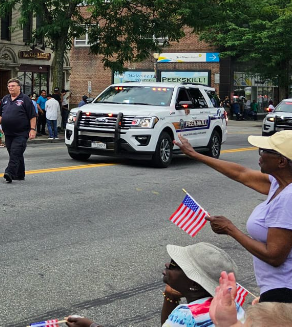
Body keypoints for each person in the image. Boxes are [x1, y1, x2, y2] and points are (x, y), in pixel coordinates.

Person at [174, 130, 292, 303]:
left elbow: (274, 256)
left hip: (283, 292)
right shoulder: (278, 184)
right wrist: (194, 154)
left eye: (264, 151)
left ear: (281, 161)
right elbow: (240, 173)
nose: (259, 154)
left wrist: (230, 229)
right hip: (277, 288)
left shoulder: (288, 197)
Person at [65, 242, 243, 327]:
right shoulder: (232, 308)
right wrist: (170, 296)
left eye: (174, 265)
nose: (167, 265)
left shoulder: (187, 316)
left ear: (194, 284)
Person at [0, 78, 37, 183]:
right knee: (14, 153)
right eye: (9, 86)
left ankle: (10, 172)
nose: (10, 88)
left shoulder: (25, 99)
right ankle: (20, 174)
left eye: (13, 86)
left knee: (15, 152)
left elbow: (32, 115)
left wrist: (32, 129)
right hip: (8, 132)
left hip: (21, 132)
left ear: (19, 87)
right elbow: (0, 114)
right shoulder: (5, 99)